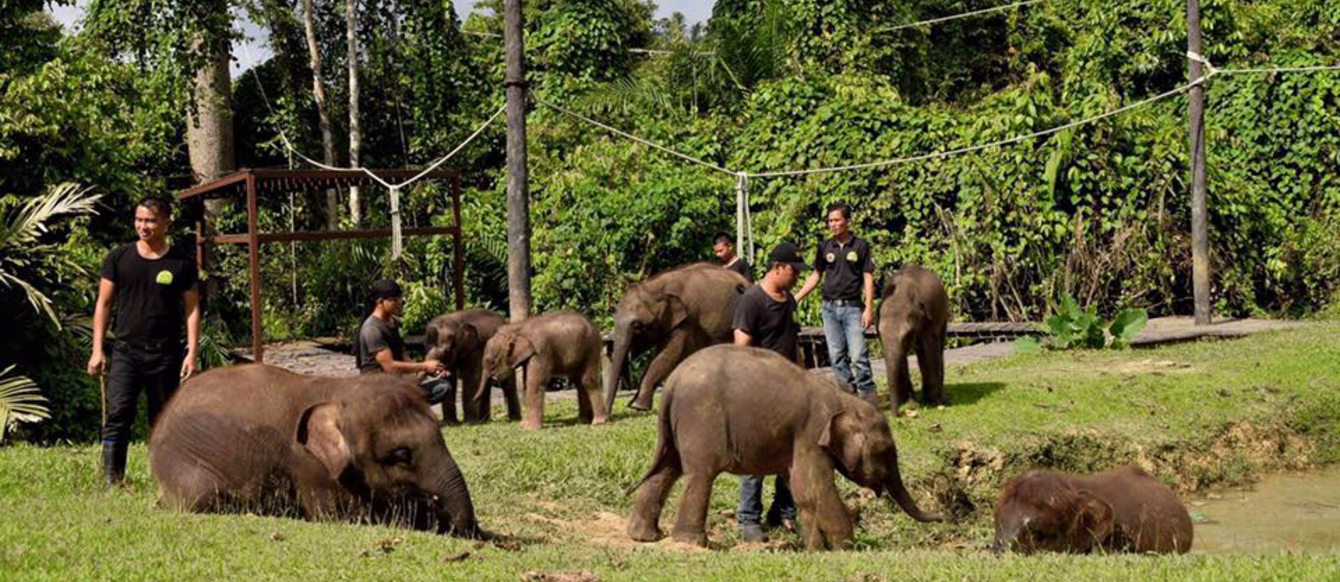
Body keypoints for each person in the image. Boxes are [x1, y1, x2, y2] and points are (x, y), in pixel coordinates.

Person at [86, 196, 201, 487]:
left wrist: (192, 352)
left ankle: (166, 480)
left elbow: (192, 309)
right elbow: (104, 304)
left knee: (162, 420)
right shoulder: (119, 258)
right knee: (118, 414)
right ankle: (113, 481)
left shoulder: (182, 263)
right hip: (126, 352)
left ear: (166, 222)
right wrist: (97, 350)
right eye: (139, 220)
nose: (143, 226)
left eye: (150, 220)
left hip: (166, 354)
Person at [731, 242, 809, 542]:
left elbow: (794, 343)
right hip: (760, 392)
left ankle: (784, 513)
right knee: (757, 456)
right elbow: (741, 349)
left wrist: (804, 378)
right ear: (778, 267)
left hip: (790, 392)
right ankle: (748, 519)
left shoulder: (789, 300)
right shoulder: (751, 301)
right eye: (794, 271)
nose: (797, 277)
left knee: (791, 456)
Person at [795, 202, 878, 405]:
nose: (832, 224)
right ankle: (848, 396)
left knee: (858, 354)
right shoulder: (824, 246)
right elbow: (816, 275)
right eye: (830, 221)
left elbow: (868, 277)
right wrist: (797, 297)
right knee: (836, 355)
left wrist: (869, 308)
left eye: (837, 220)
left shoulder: (860, 246)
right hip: (829, 308)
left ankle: (868, 397)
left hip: (852, 308)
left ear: (847, 222)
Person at [354, 279, 451, 404]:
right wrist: (425, 366)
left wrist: (431, 370)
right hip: (378, 391)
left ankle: (404, 412)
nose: (399, 303)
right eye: (394, 300)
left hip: (396, 385)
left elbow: (402, 356)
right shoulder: (372, 329)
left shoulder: (393, 322)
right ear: (380, 302)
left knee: (442, 387)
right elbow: (389, 366)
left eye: (399, 299)